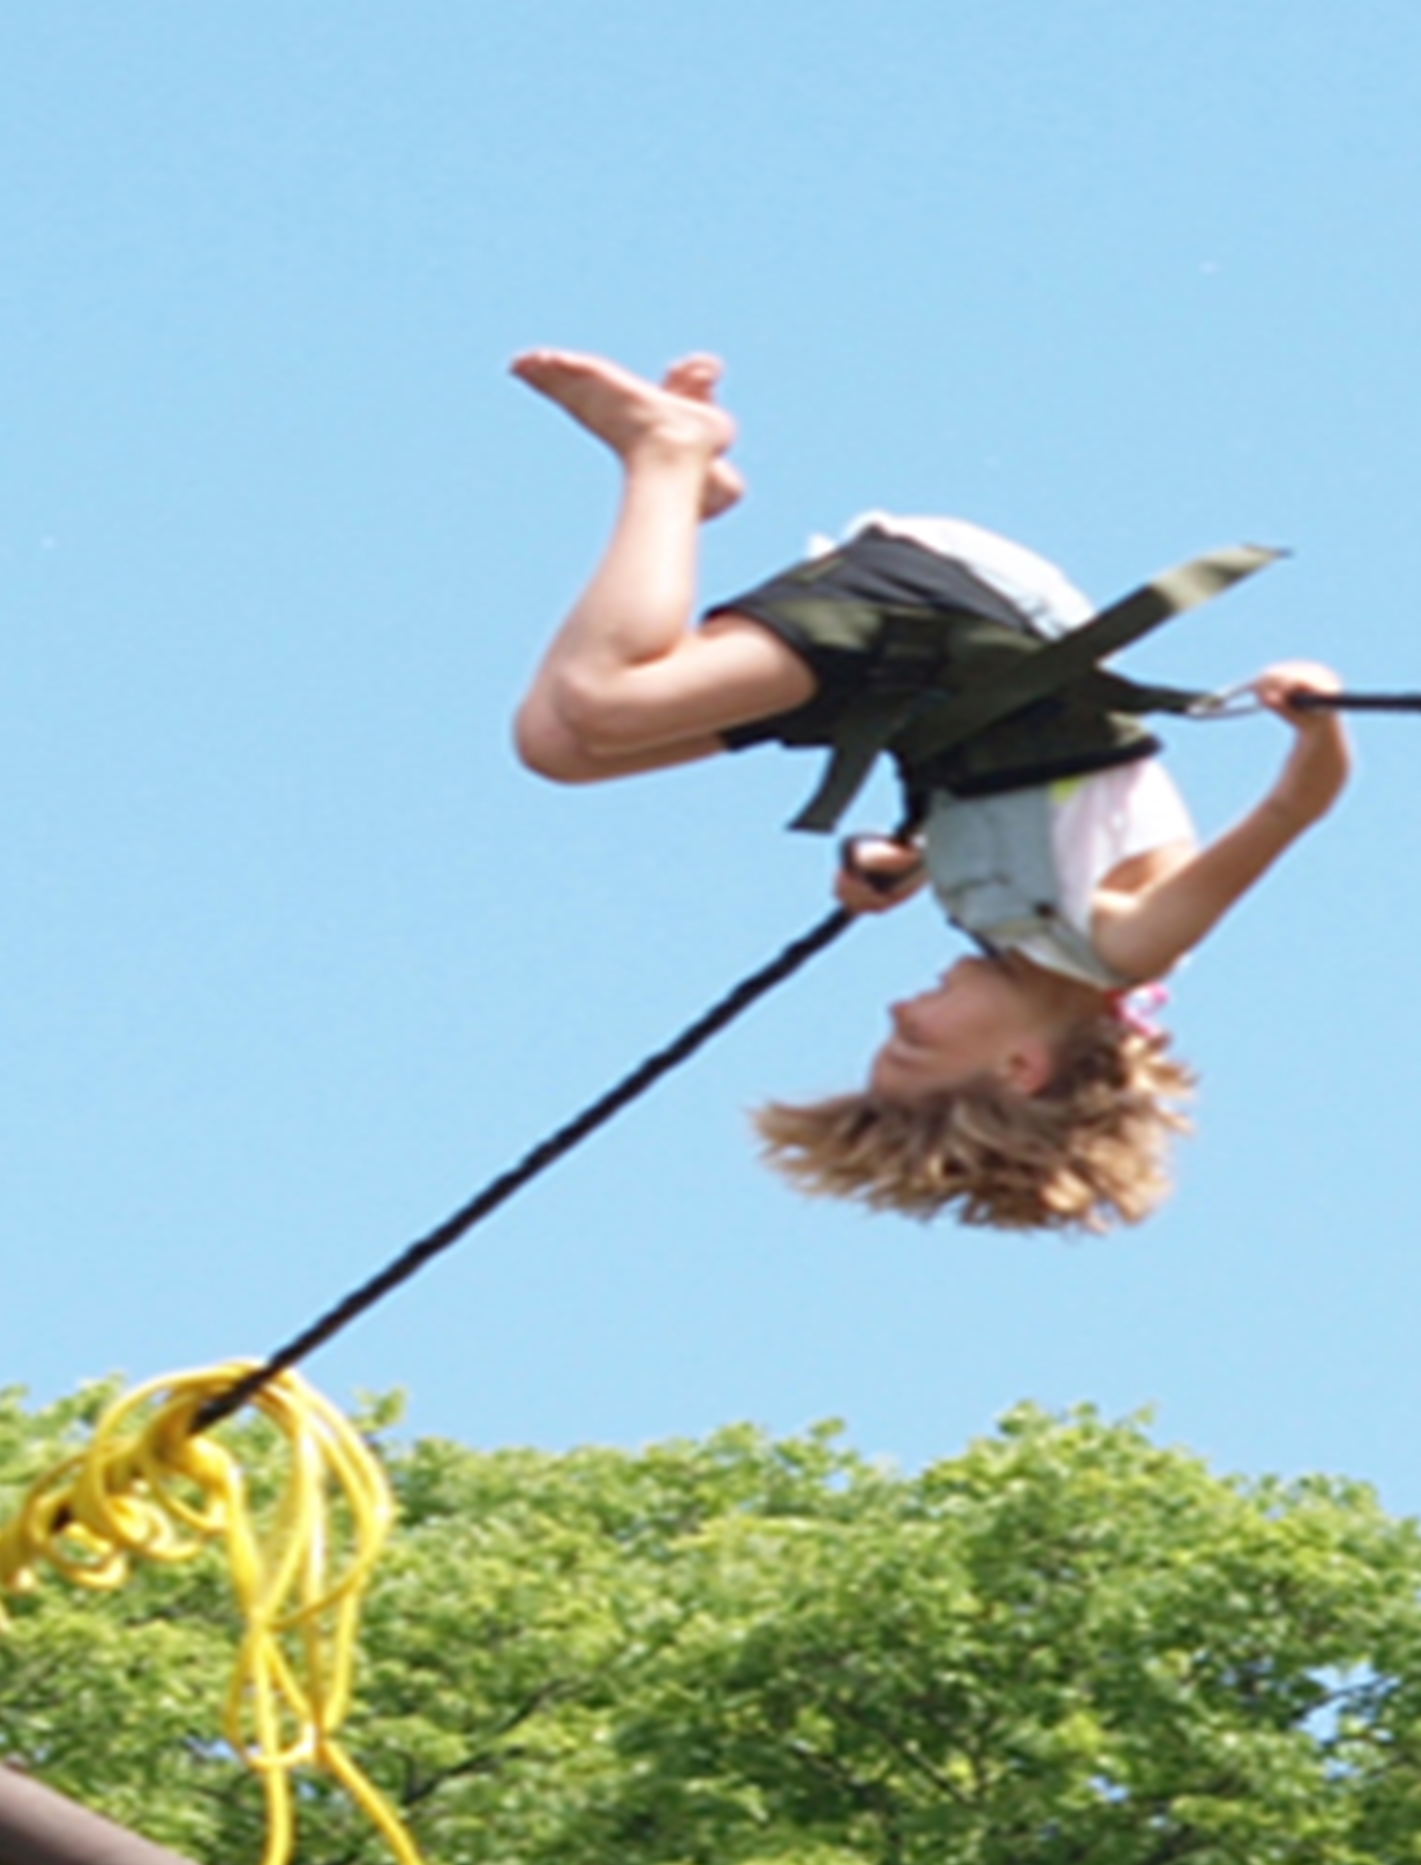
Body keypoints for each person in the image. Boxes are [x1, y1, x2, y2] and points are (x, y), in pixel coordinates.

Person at [508, 348, 1354, 1231]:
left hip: (918, 685)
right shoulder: (1130, 941)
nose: (900, 1007)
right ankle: (668, 450)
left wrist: (900, 860)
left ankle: (686, 493)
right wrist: (1314, 718)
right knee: (605, 703)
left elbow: (1021, 817)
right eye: (913, 1039)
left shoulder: (1009, 932)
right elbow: (1297, 810)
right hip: (969, 617)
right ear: (1020, 1068)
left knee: (559, 748)